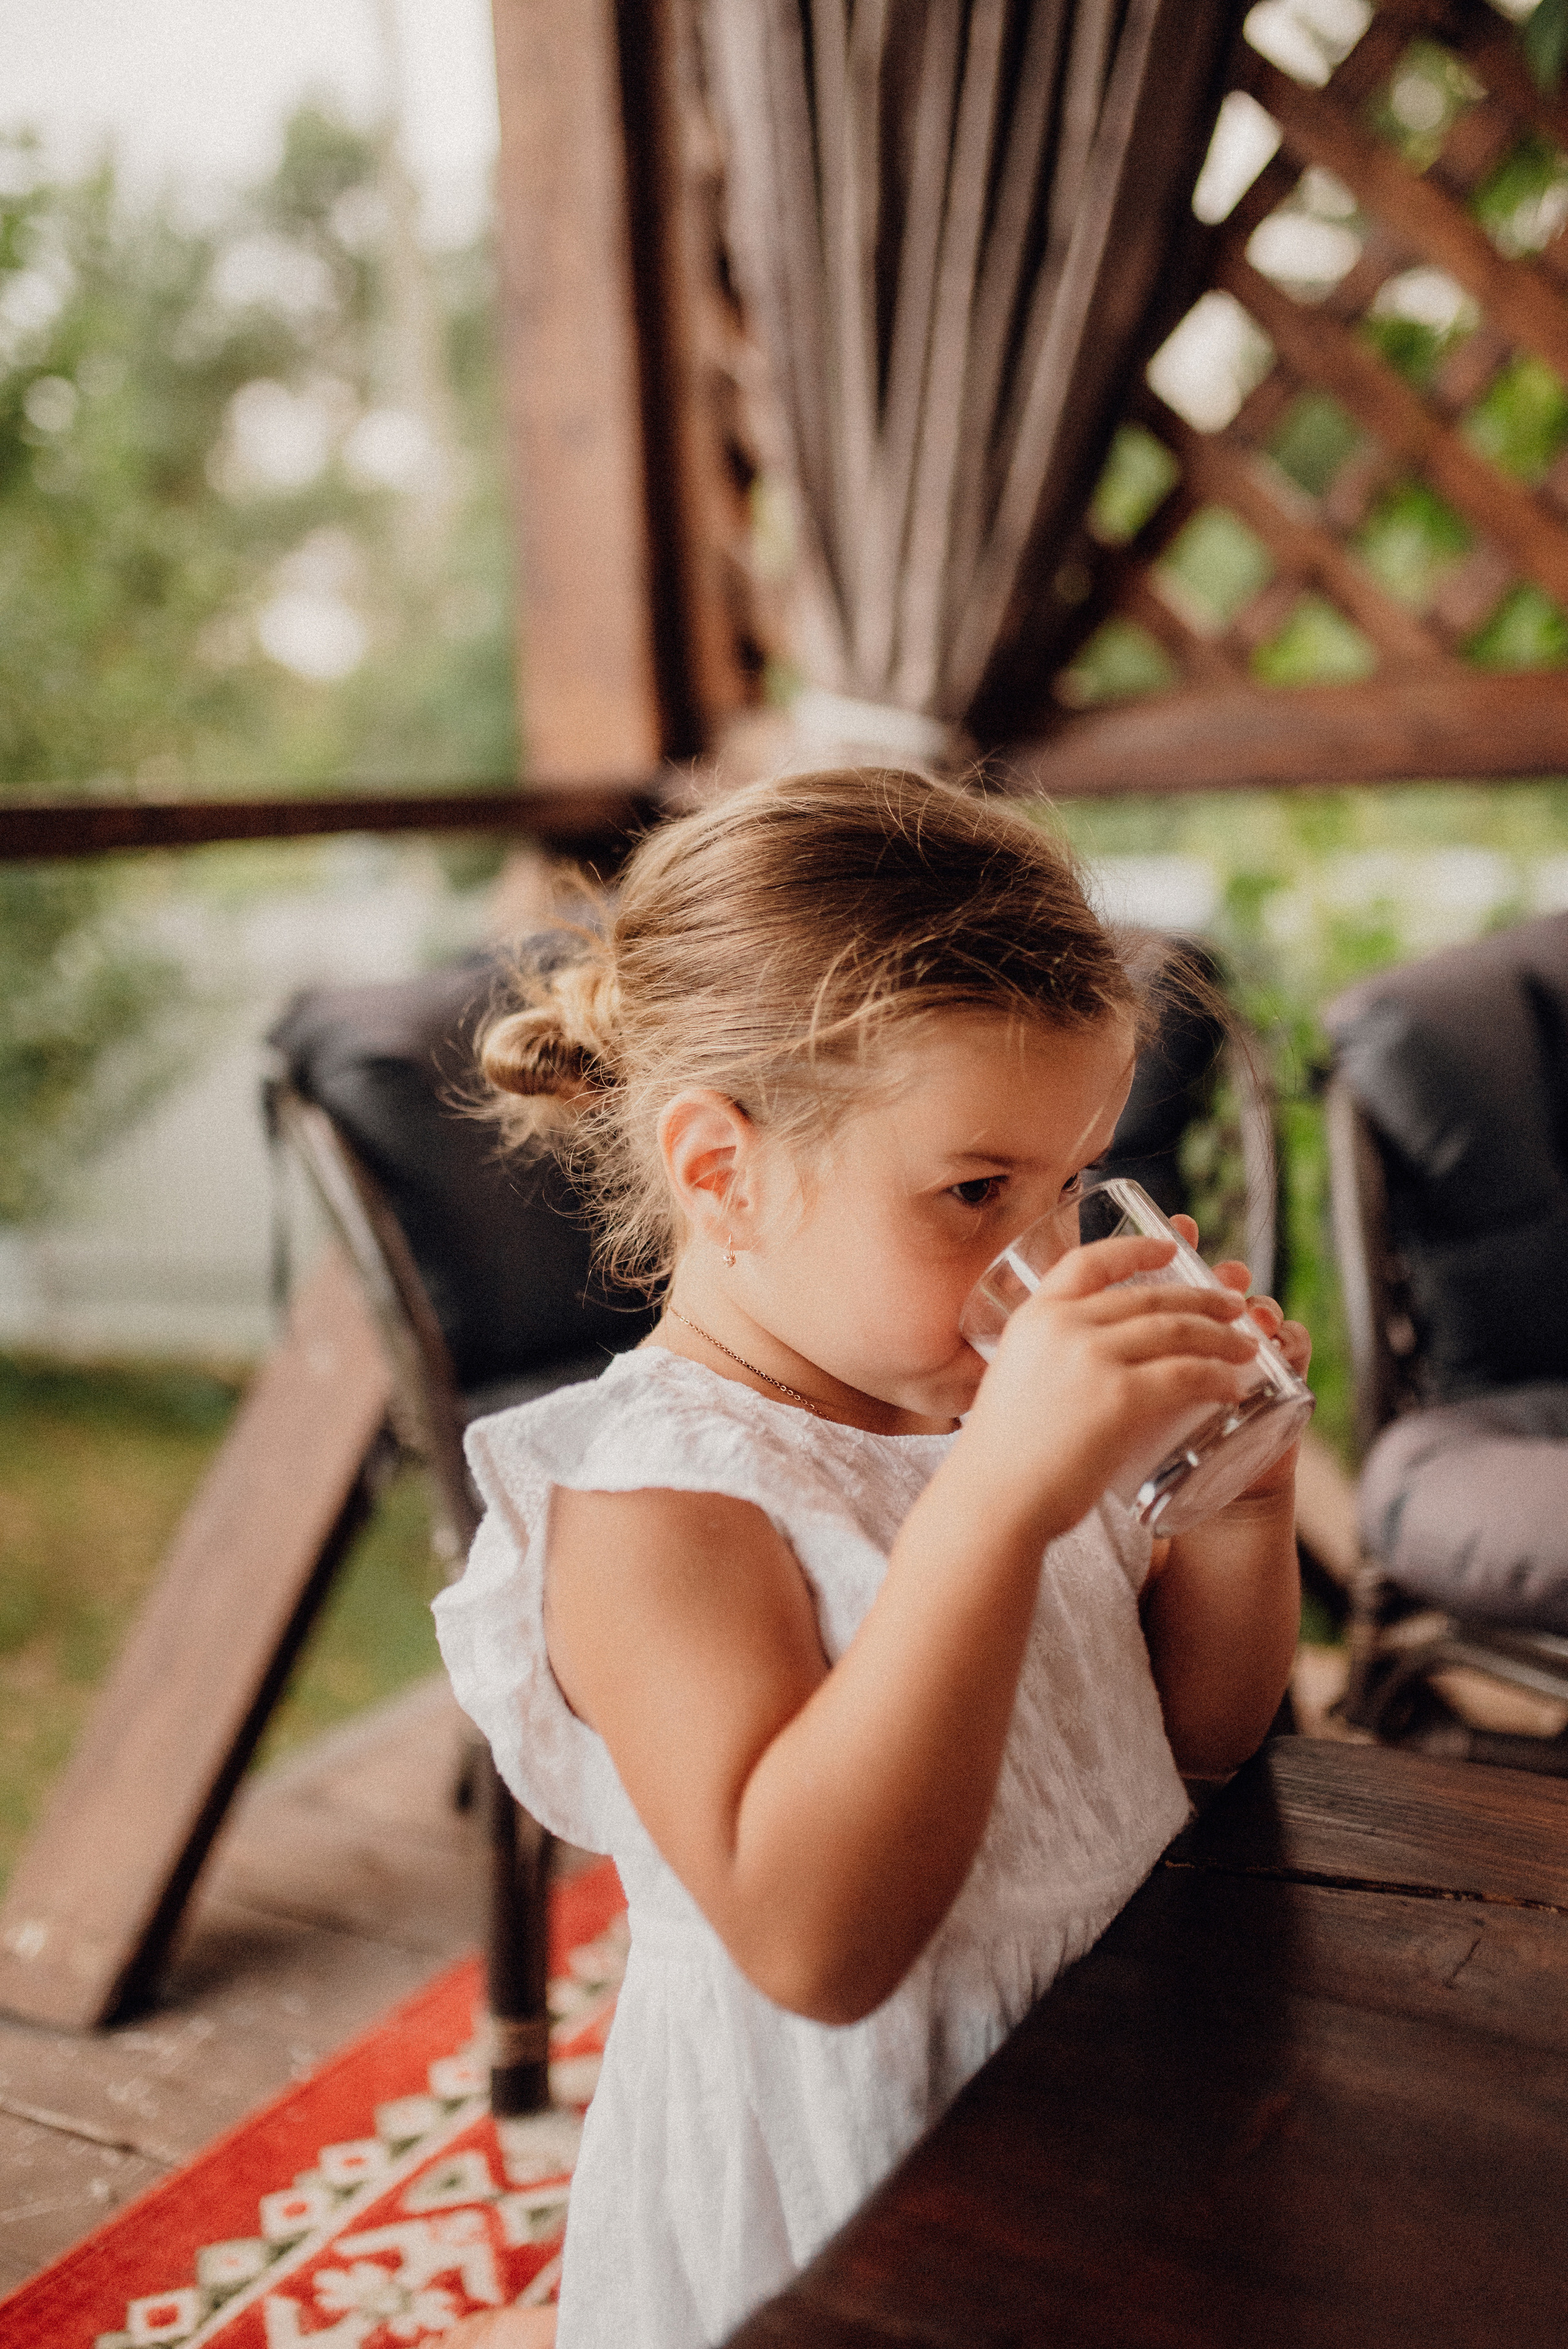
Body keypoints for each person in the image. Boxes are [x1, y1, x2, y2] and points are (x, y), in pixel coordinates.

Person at [434, 769, 1308, 2349]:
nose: (1039, 1255)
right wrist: (996, 1508)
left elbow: (1193, 1742)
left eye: (1069, 1184)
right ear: (723, 1173)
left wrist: (1237, 1506)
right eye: (975, 1191)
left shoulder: (984, 1405)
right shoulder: (655, 1503)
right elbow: (817, 1945)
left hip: (1099, 2083)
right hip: (857, 2177)